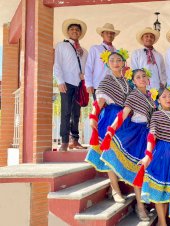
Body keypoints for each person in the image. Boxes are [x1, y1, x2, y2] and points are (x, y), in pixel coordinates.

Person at [100, 69, 156, 221]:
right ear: (134, 81)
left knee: (146, 172)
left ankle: (143, 203)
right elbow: (123, 114)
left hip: (149, 136)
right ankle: (139, 206)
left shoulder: (151, 97)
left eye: (144, 76)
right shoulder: (134, 95)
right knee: (138, 171)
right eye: (138, 77)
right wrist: (110, 132)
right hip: (136, 135)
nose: (142, 79)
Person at [86, 49, 130, 203]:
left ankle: (119, 186)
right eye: (112, 61)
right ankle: (115, 189)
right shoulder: (106, 80)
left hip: (124, 119)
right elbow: (100, 101)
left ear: (123, 62)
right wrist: (93, 115)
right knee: (110, 152)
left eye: (118, 60)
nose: (116, 63)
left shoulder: (127, 82)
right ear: (108, 64)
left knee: (120, 153)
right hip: (110, 117)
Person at [135, 87, 170, 226]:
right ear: (158, 100)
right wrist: (148, 155)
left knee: (167, 190)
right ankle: (163, 223)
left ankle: (161, 221)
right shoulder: (157, 115)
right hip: (162, 153)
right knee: (159, 190)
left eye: (169, 96)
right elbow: (152, 134)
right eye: (164, 96)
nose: (168, 99)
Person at [54, 19, 88, 151]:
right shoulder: (61, 46)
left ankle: (75, 139)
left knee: (76, 113)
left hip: (79, 85)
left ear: (80, 33)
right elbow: (57, 64)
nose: (75, 31)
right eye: (72, 29)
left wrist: (84, 76)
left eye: (77, 30)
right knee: (66, 111)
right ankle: (64, 141)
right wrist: (60, 81)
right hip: (66, 83)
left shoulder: (84, 51)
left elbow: (87, 68)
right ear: (68, 32)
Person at [85, 23, 120, 100]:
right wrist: (88, 84)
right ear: (102, 34)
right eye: (107, 33)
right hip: (99, 85)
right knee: (99, 110)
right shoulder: (95, 49)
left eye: (112, 33)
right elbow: (88, 67)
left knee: (111, 110)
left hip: (114, 87)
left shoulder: (117, 52)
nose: (109, 35)